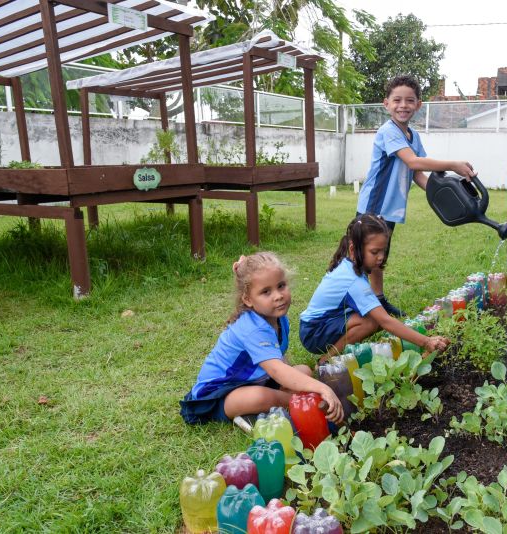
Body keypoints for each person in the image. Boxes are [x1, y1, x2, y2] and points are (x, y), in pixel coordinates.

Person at [357, 74, 477, 317]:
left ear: (418, 105)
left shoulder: (412, 136)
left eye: (409, 100)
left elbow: (419, 175)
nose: (403, 105)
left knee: (380, 255)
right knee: (362, 258)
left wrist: (448, 194)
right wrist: (453, 164)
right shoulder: (387, 131)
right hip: (374, 206)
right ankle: (354, 303)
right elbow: (413, 162)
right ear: (386, 104)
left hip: (390, 209)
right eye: (397, 100)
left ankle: (377, 300)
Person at [180, 252, 344, 425]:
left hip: (255, 380)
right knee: (260, 397)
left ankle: (277, 404)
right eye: (266, 291)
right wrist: (321, 388)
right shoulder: (253, 329)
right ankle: (295, 403)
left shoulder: (278, 318)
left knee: (303, 370)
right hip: (218, 395)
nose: (278, 295)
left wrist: (296, 382)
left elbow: (279, 360)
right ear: (248, 300)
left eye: (281, 286)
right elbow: (277, 370)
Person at [299, 214, 450, 359]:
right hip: (314, 331)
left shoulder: (351, 265)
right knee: (372, 321)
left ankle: (343, 346)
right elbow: (384, 320)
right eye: (374, 252)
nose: (381, 257)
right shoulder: (352, 281)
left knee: (375, 318)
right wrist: (426, 341)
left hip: (322, 324)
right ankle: (326, 361)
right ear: (353, 249)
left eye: (383, 250)